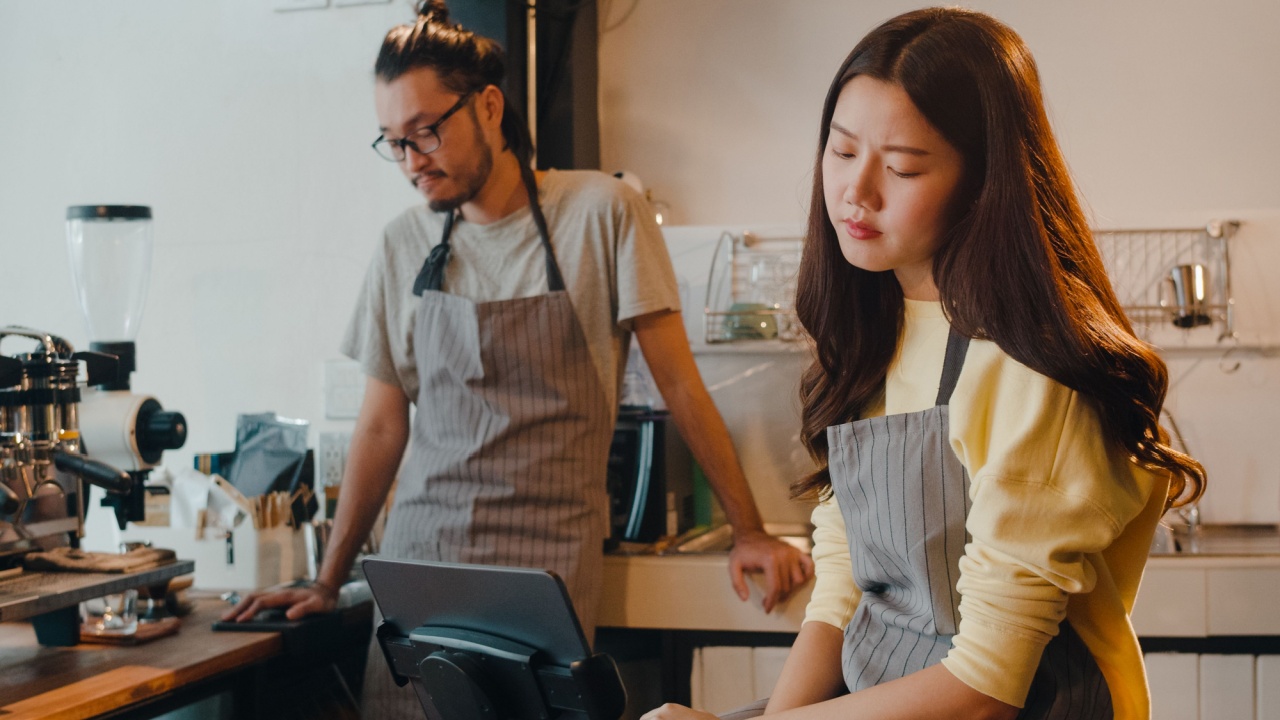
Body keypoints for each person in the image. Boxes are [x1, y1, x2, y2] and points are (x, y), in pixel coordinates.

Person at [224, 0, 812, 716]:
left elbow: (679, 387)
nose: (412, 161)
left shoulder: (602, 213)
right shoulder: (402, 245)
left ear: (490, 107)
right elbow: (381, 429)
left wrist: (748, 528)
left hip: (542, 570)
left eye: (426, 132)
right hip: (422, 568)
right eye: (393, 142)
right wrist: (326, 581)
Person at [643, 8, 1204, 720]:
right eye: (842, 153)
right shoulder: (875, 329)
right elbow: (848, 579)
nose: (858, 192)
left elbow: (987, 687)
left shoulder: (1029, 367)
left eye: (903, 166)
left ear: (985, 181)